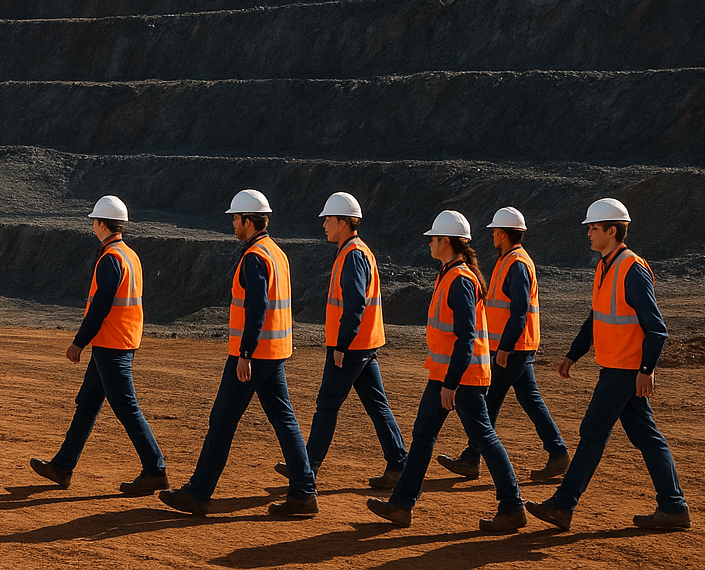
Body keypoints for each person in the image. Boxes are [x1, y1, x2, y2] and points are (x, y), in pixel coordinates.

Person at [526, 199, 691, 532]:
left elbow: (656, 328)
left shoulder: (632, 268)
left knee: (591, 435)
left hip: (625, 372)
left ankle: (563, 505)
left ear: (612, 230)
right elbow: (597, 317)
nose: (588, 234)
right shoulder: (606, 266)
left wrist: (646, 371)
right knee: (647, 438)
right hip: (617, 368)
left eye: (594, 228)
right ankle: (673, 508)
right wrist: (574, 354)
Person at [158, 189, 319, 518]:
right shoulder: (276, 252)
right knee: (284, 420)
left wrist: (245, 352)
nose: (233, 224)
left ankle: (199, 493)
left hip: (254, 353)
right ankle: (303, 492)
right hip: (274, 351)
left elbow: (257, 307)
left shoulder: (255, 256)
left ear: (249, 220)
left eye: (235, 218)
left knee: (222, 421)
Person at [367, 211, 526, 533]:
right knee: (423, 435)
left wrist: (450, 384)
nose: (429, 242)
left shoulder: (460, 280)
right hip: (445, 375)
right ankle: (401, 504)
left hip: (461, 379)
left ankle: (512, 506)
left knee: (484, 438)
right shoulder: (449, 274)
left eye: (434, 238)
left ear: (447, 242)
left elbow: (467, 337)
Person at [31, 195, 170, 495]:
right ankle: (62, 466)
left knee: (126, 408)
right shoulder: (129, 255)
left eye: (94, 220)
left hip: (112, 345)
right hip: (118, 341)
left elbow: (100, 307)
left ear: (102, 224)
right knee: (87, 404)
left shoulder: (111, 259)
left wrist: (78, 343)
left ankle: (155, 470)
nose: (92, 224)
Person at [276, 192, 407, 489]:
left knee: (327, 404)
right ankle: (399, 464)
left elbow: (355, 303)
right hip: (363, 344)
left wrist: (341, 345)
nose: (323, 224)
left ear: (344, 222)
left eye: (328, 219)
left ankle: (307, 468)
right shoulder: (354, 251)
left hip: (352, 346)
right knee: (377, 405)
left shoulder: (353, 254)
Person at [436, 207, 569, 483]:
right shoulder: (510, 260)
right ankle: (557, 452)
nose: (493, 235)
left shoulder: (516, 263)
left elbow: (519, 311)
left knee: (487, 403)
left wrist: (506, 347)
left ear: (503, 233)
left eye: (495, 231)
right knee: (527, 399)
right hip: (517, 346)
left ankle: (473, 458)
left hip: (513, 349)